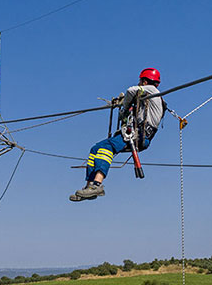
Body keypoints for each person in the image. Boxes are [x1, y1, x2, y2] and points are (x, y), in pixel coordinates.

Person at [70, 68, 174, 202]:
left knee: (107, 148)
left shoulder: (152, 91)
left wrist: (124, 108)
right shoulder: (145, 99)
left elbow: (131, 90)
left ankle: (97, 184)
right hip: (135, 135)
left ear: (144, 81)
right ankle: (89, 187)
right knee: (95, 148)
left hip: (139, 136)